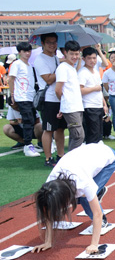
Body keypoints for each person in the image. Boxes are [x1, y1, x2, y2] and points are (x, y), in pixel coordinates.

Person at [32, 142, 115, 254]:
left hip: (108, 157)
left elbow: (97, 213)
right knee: (83, 196)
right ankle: (96, 191)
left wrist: (94, 244)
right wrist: (47, 242)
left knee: (85, 199)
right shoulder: (50, 185)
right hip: (85, 158)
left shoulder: (82, 183)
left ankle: (97, 198)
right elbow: (48, 210)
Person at [34, 33, 66, 166]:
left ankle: (60, 155)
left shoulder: (56, 58)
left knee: (60, 128)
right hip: (48, 99)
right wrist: (61, 68)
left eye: (54, 42)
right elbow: (48, 79)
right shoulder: (40, 60)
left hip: (59, 98)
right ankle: (48, 158)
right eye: (49, 42)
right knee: (48, 129)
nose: (52, 45)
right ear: (42, 43)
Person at [7, 42, 39, 157]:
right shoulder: (17, 64)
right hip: (21, 97)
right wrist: (12, 94)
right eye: (25, 51)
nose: (27, 53)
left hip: (30, 97)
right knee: (27, 121)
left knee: (32, 120)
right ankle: (27, 145)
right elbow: (11, 79)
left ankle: (31, 144)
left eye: (29, 51)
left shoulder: (30, 65)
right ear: (19, 52)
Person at [55, 41, 85, 151]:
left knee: (74, 136)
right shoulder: (63, 68)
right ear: (65, 53)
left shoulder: (72, 68)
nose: (74, 56)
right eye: (72, 54)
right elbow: (58, 90)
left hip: (77, 107)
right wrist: (64, 103)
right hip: (70, 108)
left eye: (77, 54)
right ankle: (70, 159)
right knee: (78, 136)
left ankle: (71, 158)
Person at [78, 47, 109, 144]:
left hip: (98, 105)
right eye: (89, 58)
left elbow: (100, 90)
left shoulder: (96, 71)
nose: (92, 60)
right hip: (89, 106)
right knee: (93, 133)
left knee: (99, 133)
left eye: (94, 58)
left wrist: (104, 104)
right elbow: (80, 90)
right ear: (84, 59)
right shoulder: (82, 72)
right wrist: (94, 89)